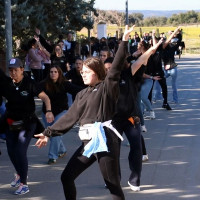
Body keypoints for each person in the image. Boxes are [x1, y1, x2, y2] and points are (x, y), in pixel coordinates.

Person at [34, 25, 135, 200]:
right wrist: (47, 133)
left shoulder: (107, 88)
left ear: (97, 73)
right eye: (82, 72)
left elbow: (116, 68)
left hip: (105, 141)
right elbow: (70, 117)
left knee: (112, 185)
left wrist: (124, 41)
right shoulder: (82, 94)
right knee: (66, 177)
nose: (83, 75)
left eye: (87, 72)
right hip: (88, 142)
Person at [104, 38, 163, 192]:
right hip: (112, 122)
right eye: (107, 68)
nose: (110, 70)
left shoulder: (127, 74)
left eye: (111, 67)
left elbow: (140, 60)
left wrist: (150, 50)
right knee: (112, 151)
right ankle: (114, 178)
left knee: (136, 147)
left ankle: (135, 178)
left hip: (131, 118)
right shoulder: (104, 81)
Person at [0, 58, 54, 195]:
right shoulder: (7, 84)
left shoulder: (30, 83)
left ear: (22, 70)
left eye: (15, 70)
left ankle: (24, 184)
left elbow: (45, 98)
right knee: (11, 151)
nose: (13, 73)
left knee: (20, 151)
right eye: (10, 70)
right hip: (11, 121)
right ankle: (19, 174)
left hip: (28, 122)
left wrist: (48, 111)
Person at [39, 66, 82, 164]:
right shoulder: (44, 84)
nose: (53, 73)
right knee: (51, 134)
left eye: (55, 72)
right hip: (46, 113)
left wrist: (91, 89)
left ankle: (52, 156)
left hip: (61, 112)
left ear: (59, 73)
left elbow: (78, 89)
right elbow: (34, 89)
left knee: (54, 132)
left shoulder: (64, 83)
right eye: (51, 72)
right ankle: (62, 150)